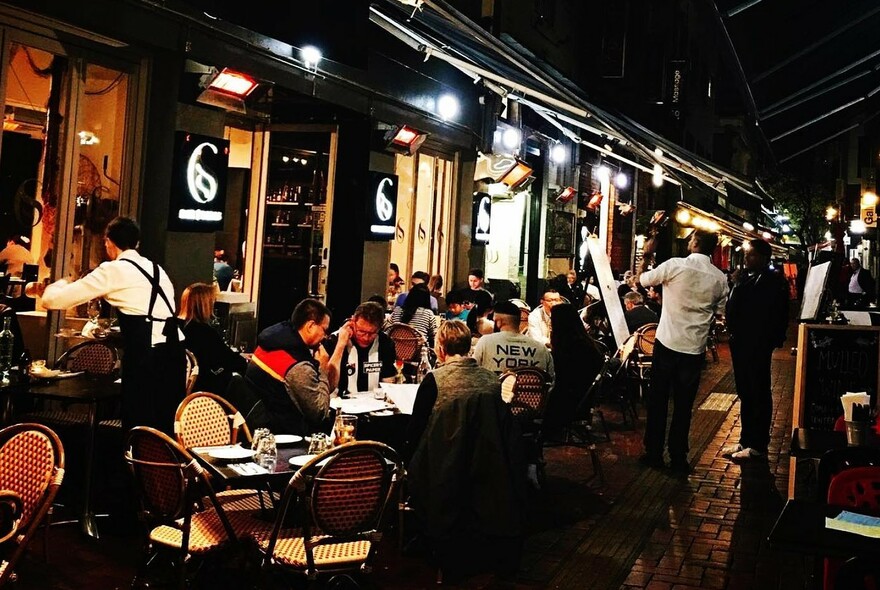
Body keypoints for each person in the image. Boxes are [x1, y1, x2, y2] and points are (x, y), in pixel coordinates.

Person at [39, 216, 185, 433]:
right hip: (174, 355)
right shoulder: (157, 270)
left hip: (147, 358)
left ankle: (137, 466)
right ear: (137, 243)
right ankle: (165, 467)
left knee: (139, 428)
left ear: (108, 242)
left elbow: (53, 301)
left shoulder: (113, 270)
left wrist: (60, 283)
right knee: (167, 430)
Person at [405, 319, 525, 581]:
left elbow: (416, 433)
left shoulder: (434, 381)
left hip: (443, 471)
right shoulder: (490, 381)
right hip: (489, 470)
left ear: (440, 348)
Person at [637, 229, 728, 472]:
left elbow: (642, 280)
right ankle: (678, 457)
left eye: (691, 239)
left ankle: (654, 452)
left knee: (658, 400)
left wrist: (646, 255)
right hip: (694, 348)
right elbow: (720, 313)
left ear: (695, 243)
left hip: (667, 342)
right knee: (684, 406)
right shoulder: (719, 278)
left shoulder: (675, 266)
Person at [245, 298, 351, 435]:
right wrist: (323, 369)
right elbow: (320, 413)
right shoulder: (298, 366)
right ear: (311, 326)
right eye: (324, 330)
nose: (325, 336)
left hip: (259, 427)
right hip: (285, 435)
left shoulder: (271, 342)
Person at [724, 239, 789, 461]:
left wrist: (771, 340)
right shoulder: (749, 279)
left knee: (757, 391)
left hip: (756, 345)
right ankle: (746, 439)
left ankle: (757, 443)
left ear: (762, 257)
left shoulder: (770, 282)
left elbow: (768, 313)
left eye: (750, 255)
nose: (745, 259)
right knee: (745, 392)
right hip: (742, 344)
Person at [179, 282, 247, 395]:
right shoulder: (205, 332)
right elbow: (230, 360)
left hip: (181, 387)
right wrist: (244, 360)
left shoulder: (176, 327)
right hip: (204, 390)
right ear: (205, 305)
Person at [548, 303, 605, 436]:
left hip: (568, 403)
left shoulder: (568, 348)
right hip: (584, 400)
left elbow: (560, 378)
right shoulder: (587, 343)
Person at [323, 301, 396, 395]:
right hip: (339, 402)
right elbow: (326, 384)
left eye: (372, 333)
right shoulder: (333, 341)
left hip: (374, 403)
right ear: (352, 322)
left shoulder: (386, 343)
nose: (366, 338)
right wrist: (340, 345)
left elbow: (388, 384)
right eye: (361, 331)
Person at [473, 300, 555, 380]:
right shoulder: (541, 349)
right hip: (532, 392)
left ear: (499, 322)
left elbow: (474, 372)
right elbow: (551, 380)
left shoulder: (485, 342)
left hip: (495, 393)